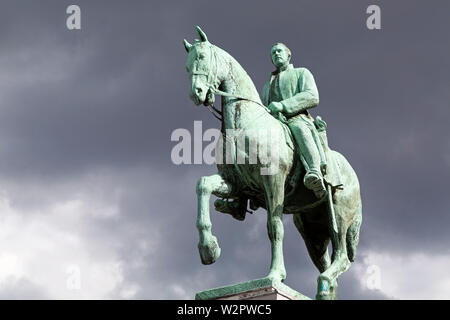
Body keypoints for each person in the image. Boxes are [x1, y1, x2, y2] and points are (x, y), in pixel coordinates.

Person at [262, 43, 326, 198]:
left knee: (298, 127)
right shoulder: (266, 87)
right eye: (273, 53)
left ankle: (314, 171)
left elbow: (312, 96)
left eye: (279, 51)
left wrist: (283, 105)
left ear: (288, 55)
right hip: (274, 123)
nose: (276, 54)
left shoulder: (301, 73)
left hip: (297, 118)